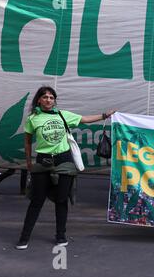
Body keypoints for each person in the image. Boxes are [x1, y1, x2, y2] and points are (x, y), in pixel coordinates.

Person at [15, 86, 115, 250]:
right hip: (43, 161)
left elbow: (85, 119)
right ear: (39, 100)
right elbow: (27, 141)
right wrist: (28, 162)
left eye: (51, 97)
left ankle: (60, 236)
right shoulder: (33, 118)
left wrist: (105, 115)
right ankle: (24, 238)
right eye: (45, 97)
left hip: (64, 160)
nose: (48, 100)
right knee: (36, 201)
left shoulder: (63, 115)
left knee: (61, 200)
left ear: (54, 101)